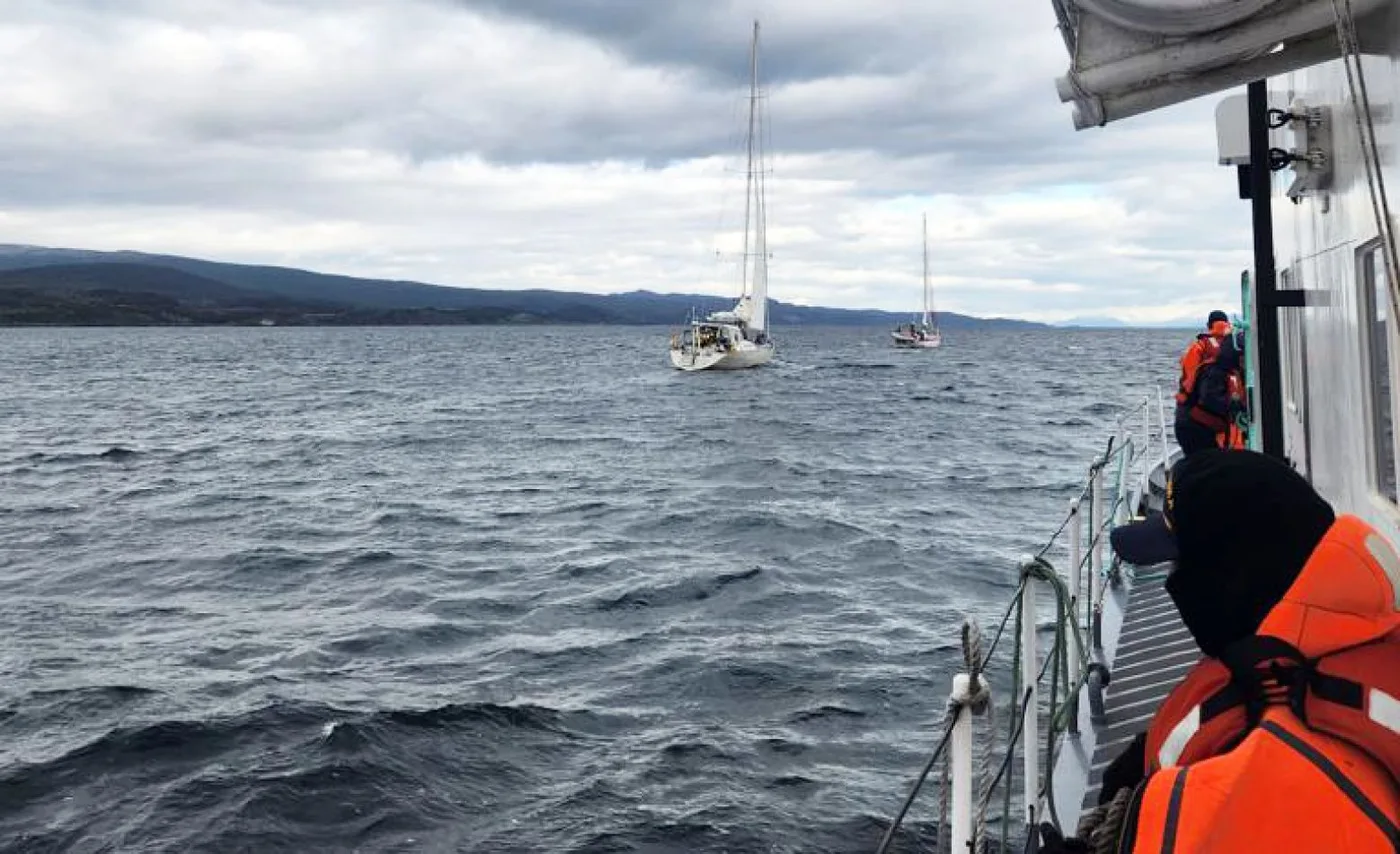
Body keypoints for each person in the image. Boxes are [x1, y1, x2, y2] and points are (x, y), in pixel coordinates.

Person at [1040, 449, 1400, 852]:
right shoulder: (1349, 650)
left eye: (1181, 565)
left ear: (1230, 577)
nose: (1171, 586)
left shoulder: (1292, 765)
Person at [1174, 311, 1234, 455]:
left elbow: (1188, 379)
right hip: (1224, 418)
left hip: (1193, 415)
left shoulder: (1199, 347)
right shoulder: (1236, 346)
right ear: (1228, 324)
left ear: (1209, 326)